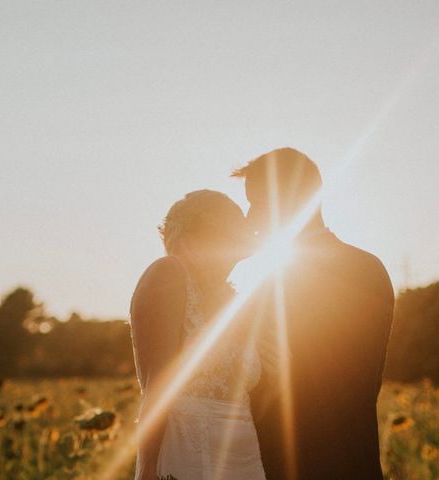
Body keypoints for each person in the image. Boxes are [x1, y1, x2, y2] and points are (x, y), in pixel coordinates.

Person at [233, 147, 395, 479]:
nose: (249, 218)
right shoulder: (366, 267)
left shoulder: (342, 273)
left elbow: (330, 381)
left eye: (257, 204)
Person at [129, 189, 266, 480]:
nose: (246, 224)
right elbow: (158, 384)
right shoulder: (168, 274)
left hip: (241, 458)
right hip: (188, 455)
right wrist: (146, 470)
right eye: (235, 218)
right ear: (199, 234)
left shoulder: (231, 300)